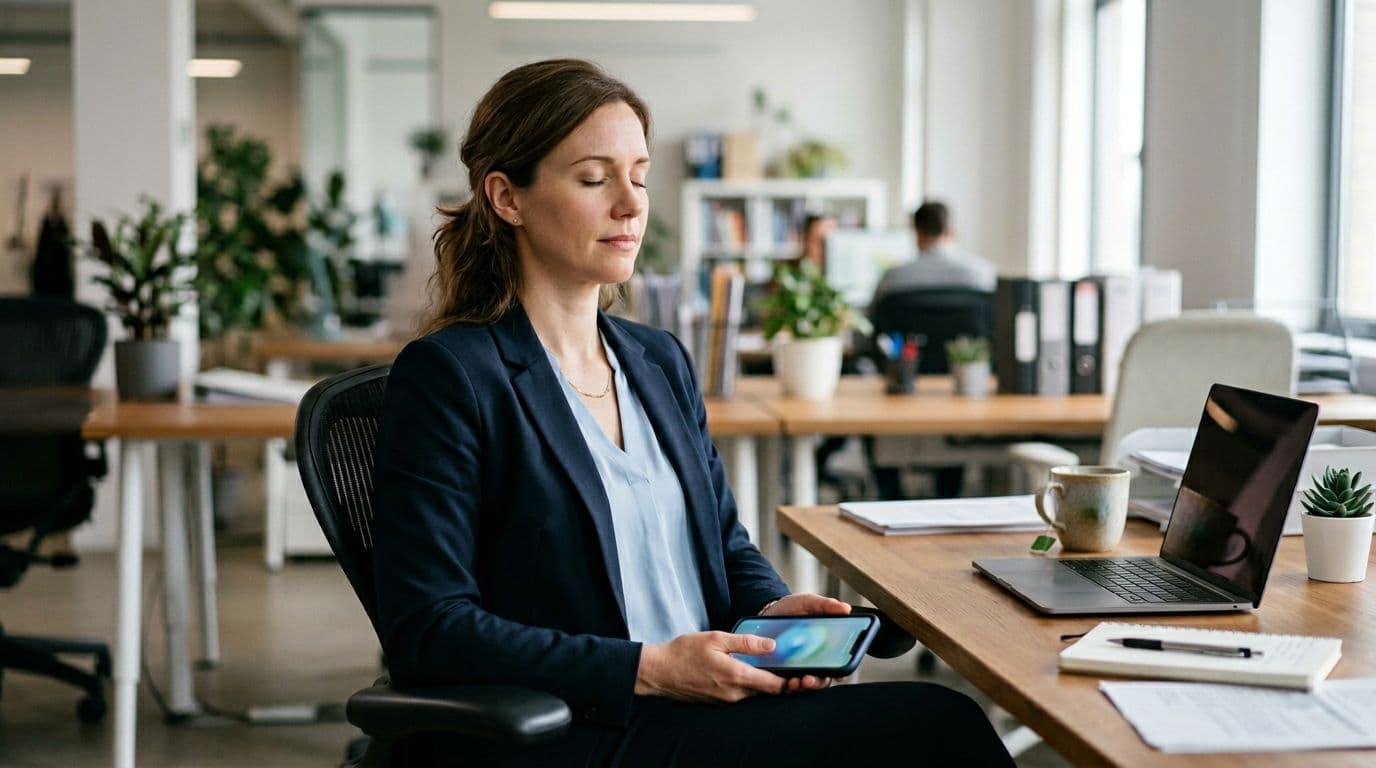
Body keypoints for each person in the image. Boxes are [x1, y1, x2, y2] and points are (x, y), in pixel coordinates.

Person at [370, 59, 1014, 767]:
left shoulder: (658, 362)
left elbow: (725, 546)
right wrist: (649, 666)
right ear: (507, 197)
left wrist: (770, 614)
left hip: (706, 702)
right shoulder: (451, 376)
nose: (631, 204)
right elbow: (429, 629)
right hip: (593, 727)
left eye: (639, 176)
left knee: (934, 726)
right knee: (938, 730)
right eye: (594, 179)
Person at [870, 200, 996, 306]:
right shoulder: (982, 273)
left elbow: (873, 319)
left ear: (917, 232)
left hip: (910, 335)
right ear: (951, 231)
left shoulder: (893, 277)